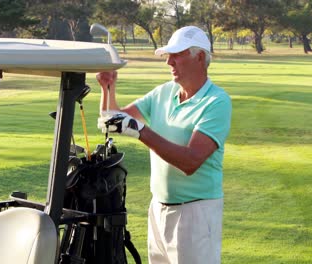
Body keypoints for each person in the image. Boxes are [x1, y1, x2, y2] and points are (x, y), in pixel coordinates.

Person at [96, 25, 232, 264]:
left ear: (200, 57)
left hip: (196, 213)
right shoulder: (164, 92)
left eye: (176, 54)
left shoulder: (216, 102)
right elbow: (111, 122)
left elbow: (190, 161)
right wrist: (108, 87)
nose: (169, 61)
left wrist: (141, 131)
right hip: (158, 208)